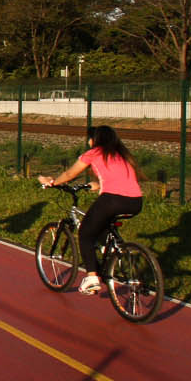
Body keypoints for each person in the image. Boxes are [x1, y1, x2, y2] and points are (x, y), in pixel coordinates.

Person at [38, 125, 143, 295]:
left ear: (94, 140)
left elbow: (70, 174)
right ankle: (110, 251)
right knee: (102, 224)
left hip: (112, 200)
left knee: (86, 232)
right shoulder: (122, 155)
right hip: (136, 202)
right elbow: (122, 180)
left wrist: (53, 182)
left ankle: (92, 278)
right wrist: (100, 185)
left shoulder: (93, 153)